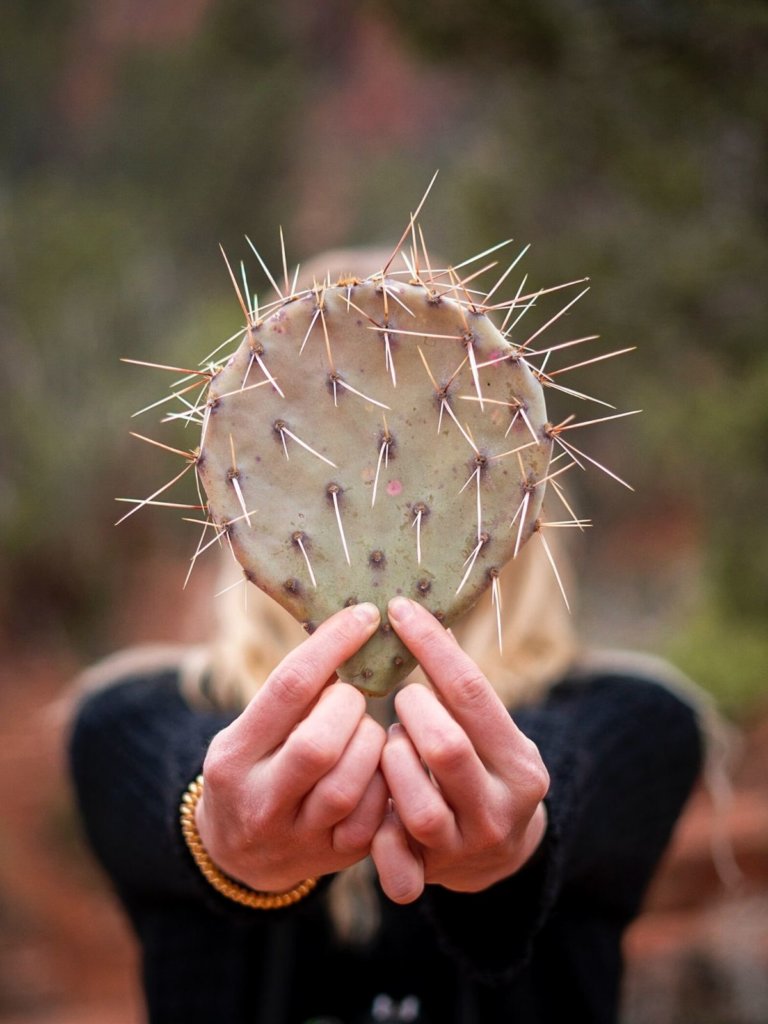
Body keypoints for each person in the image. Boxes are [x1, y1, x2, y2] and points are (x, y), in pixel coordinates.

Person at [68, 523, 707, 1024]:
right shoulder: (127, 719)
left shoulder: (637, 720)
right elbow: (174, 765)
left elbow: (570, 770)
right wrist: (213, 823)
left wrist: (527, 827)